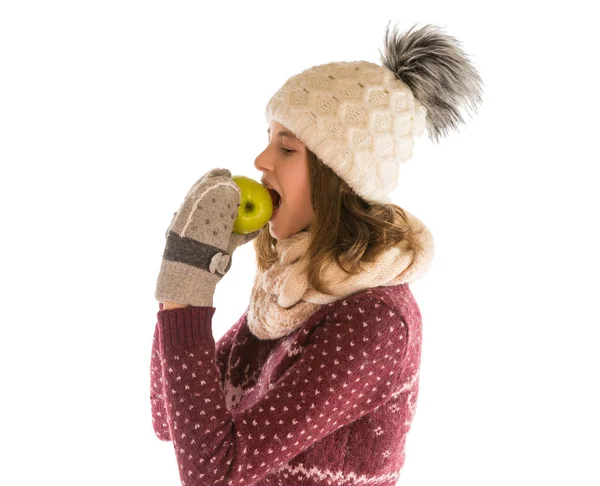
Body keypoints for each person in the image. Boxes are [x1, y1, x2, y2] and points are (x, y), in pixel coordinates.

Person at [151, 21, 483, 485]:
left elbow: (213, 472)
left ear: (338, 178)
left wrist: (188, 288)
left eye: (286, 147)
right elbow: (169, 418)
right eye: (268, 139)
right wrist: (181, 276)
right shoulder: (287, 295)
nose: (261, 161)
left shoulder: (373, 320)